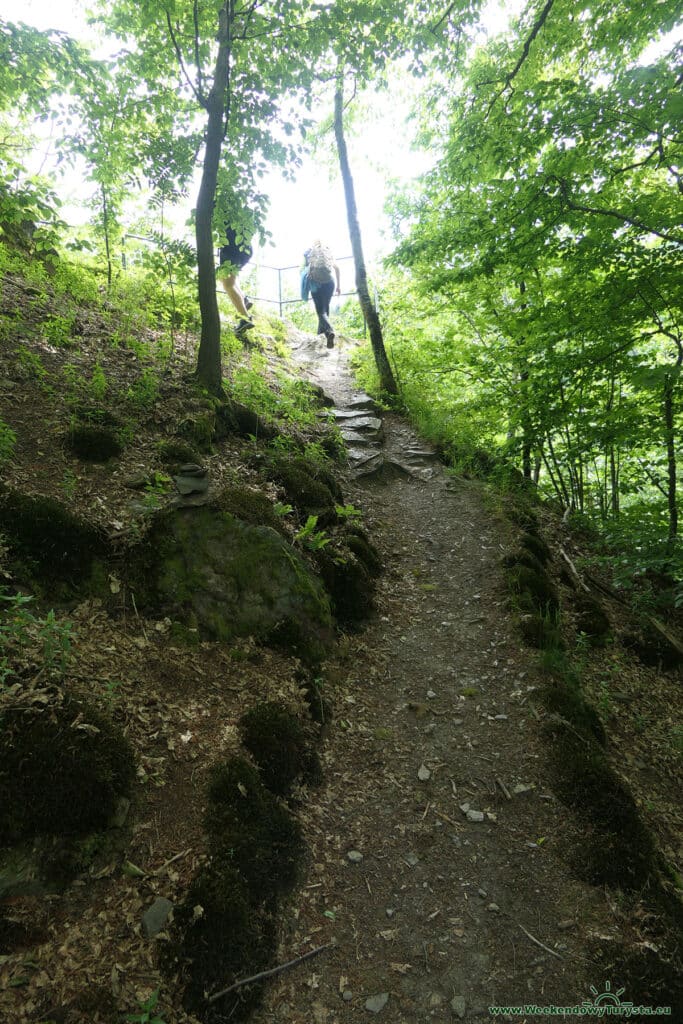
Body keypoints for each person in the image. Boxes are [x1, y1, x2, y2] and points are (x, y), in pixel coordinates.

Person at [218, 224, 254, 339]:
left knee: (228, 284)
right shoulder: (235, 209)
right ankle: (243, 299)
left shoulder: (218, 209)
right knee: (228, 280)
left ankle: (245, 319)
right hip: (244, 247)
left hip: (231, 248)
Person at [304, 240, 340, 348]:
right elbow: (337, 269)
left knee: (321, 311)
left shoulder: (311, 255)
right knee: (325, 308)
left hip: (317, 285)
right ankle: (321, 335)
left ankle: (329, 331)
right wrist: (338, 286)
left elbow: (306, 271)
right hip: (330, 283)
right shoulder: (327, 255)